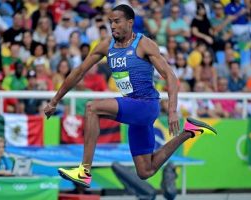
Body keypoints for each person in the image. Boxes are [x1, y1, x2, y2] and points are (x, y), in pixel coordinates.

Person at [44, 4, 217, 188]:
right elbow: (78, 72)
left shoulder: (144, 44)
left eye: (117, 22)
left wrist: (173, 110)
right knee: (145, 171)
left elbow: (171, 77)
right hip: (135, 112)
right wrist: (55, 101)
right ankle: (189, 131)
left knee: (92, 108)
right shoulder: (106, 45)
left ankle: (84, 170)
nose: (112, 26)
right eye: (110, 22)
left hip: (147, 106)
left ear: (130, 22)